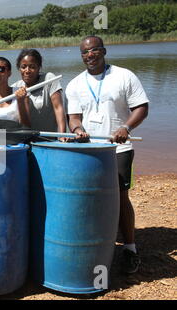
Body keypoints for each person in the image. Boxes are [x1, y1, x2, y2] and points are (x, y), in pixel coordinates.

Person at [66, 35, 149, 274]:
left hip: (119, 149)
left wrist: (126, 128)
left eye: (93, 51)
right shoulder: (75, 84)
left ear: (103, 51)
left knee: (121, 198)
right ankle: (99, 245)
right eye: (84, 52)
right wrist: (78, 130)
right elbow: (73, 117)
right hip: (89, 151)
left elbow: (141, 107)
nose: (89, 55)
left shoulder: (124, 76)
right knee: (91, 198)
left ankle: (130, 249)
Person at [11, 49, 67, 134]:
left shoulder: (49, 79)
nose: (27, 71)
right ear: (19, 68)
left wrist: (62, 135)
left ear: (39, 68)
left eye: (32, 67)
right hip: (28, 139)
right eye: (23, 67)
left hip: (50, 138)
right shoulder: (15, 88)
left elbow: (58, 108)